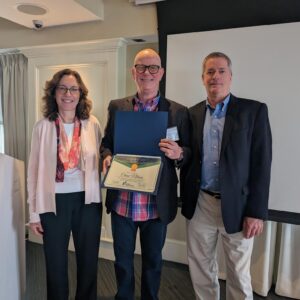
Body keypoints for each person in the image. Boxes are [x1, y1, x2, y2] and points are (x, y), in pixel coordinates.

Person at [100, 48, 191, 300]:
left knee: (153, 264)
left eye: (153, 68)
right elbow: (106, 142)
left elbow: (190, 153)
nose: (147, 73)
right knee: (122, 263)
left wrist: (179, 153)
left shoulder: (178, 111)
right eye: (141, 67)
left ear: (161, 73)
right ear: (133, 72)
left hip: (155, 205)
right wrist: (107, 155)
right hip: (123, 203)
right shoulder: (117, 107)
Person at [181, 52, 272, 300]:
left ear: (231, 76)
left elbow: (262, 165)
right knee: (201, 269)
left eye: (221, 71)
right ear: (203, 78)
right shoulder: (192, 113)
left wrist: (256, 212)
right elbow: (189, 156)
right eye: (210, 72)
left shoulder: (253, 111)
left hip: (239, 207)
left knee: (238, 274)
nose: (215, 76)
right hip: (201, 203)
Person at [27, 69, 102, 300]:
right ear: (54, 93)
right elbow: (33, 172)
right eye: (62, 88)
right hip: (54, 203)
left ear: (80, 94)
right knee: (55, 263)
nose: (68, 94)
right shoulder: (43, 127)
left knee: (88, 261)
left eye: (73, 89)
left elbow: (102, 158)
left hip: (87, 201)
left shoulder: (92, 124)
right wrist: (34, 213)